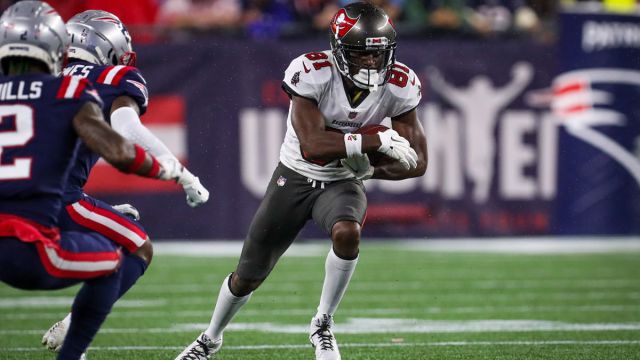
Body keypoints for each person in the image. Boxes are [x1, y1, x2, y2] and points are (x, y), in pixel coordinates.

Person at [175, 2, 427, 359]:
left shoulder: (399, 83)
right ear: (340, 50)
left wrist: (369, 169)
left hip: (342, 180)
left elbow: (418, 162)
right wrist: (374, 140)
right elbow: (312, 147)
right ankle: (210, 338)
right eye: (360, 54)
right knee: (248, 274)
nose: (371, 64)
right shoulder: (312, 71)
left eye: (378, 55)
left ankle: (323, 324)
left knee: (347, 232)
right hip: (295, 175)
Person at [0, 1, 184, 359]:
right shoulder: (80, 88)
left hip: (34, 204)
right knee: (130, 251)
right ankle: (73, 347)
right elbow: (122, 144)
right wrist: (169, 169)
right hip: (37, 222)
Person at [39, 9, 210, 352]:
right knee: (138, 246)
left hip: (18, 194)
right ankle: (74, 336)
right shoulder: (114, 77)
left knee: (106, 239)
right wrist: (183, 175)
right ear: (104, 41)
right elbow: (127, 130)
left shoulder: (42, 76)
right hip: (57, 198)